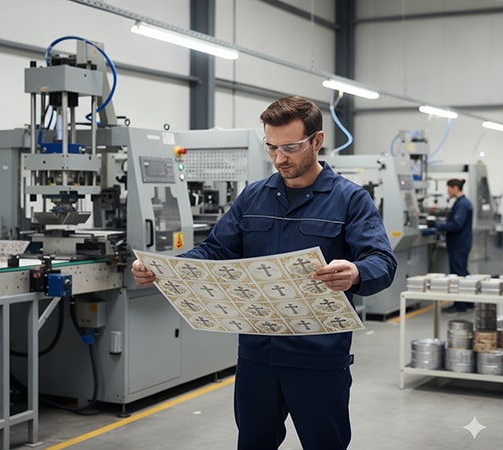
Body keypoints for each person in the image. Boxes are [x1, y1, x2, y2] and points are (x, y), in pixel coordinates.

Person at [132, 95, 397, 450]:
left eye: (290, 147)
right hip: (258, 355)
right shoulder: (254, 197)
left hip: (317, 357)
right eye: (271, 147)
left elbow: (382, 260)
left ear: (317, 141)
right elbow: (216, 250)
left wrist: (356, 272)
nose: (279, 158)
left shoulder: (350, 199)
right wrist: (167, 270)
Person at [435, 178, 474, 312]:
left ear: (455, 188)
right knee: (462, 273)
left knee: (458, 275)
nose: (448, 191)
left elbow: (457, 224)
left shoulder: (462, 204)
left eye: (449, 188)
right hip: (460, 243)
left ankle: (460, 305)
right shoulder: (461, 202)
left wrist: (438, 226)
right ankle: (468, 302)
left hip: (459, 244)